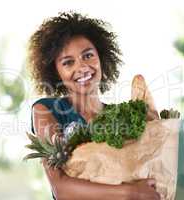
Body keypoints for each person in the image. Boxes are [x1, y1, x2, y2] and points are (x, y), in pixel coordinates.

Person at [27, 11, 161, 200]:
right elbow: (61, 189)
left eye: (88, 55)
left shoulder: (121, 115)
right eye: (68, 62)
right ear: (55, 71)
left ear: (101, 57)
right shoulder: (45, 110)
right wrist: (131, 192)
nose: (82, 67)